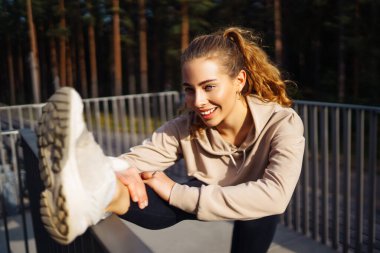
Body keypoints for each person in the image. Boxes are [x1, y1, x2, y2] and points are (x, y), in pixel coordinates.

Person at [37, 27, 305, 252]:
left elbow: (275, 196)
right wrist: (119, 169)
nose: (198, 102)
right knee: (149, 192)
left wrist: (176, 191)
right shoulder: (188, 127)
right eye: (190, 89)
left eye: (209, 86)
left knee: (251, 229)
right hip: (210, 186)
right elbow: (139, 158)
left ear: (239, 80)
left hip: (257, 201)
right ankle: (96, 195)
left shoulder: (283, 123)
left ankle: (92, 182)